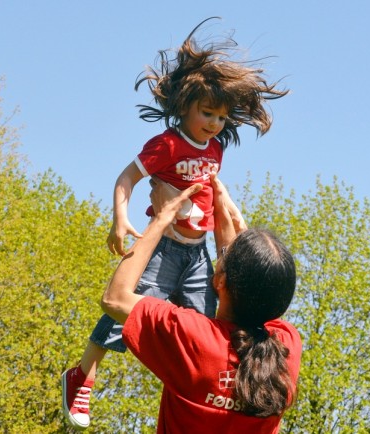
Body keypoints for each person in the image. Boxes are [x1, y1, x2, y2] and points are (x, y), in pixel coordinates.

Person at [62, 17, 289, 429]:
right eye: (207, 113)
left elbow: (211, 192)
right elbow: (126, 178)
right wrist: (120, 220)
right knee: (124, 309)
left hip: (198, 250)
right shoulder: (165, 144)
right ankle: (83, 374)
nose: (215, 124)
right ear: (184, 106)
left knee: (209, 324)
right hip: (164, 245)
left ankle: (185, 388)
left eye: (222, 117)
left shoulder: (216, 149)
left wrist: (228, 222)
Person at [100, 175, 302, 433]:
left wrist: (161, 218)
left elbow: (115, 298)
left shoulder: (196, 339)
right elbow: (256, 283)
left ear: (219, 280)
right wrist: (229, 216)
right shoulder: (286, 347)